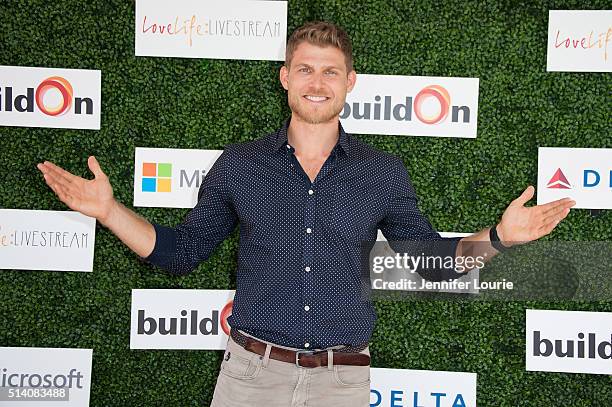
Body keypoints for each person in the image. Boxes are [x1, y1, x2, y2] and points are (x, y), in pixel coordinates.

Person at [37, 21, 575, 407]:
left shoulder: (382, 172)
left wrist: (501, 237)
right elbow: (181, 253)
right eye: (306, 69)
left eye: (330, 72)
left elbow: (429, 264)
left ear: (350, 83)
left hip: (341, 383)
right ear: (285, 77)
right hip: (249, 378)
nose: (318, 82)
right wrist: (108, 211)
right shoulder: (241, 164)